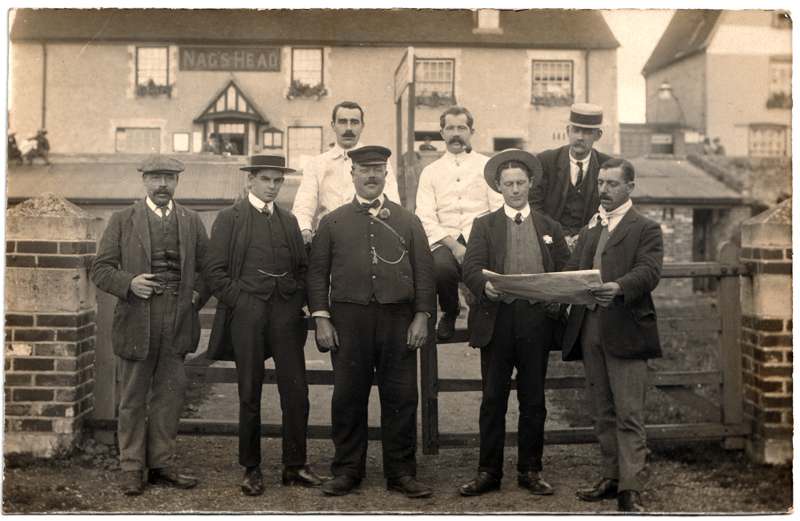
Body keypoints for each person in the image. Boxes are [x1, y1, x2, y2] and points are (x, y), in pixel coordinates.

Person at [307, 145, 436, 498]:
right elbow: (317, 275)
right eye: (364, 170)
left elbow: (424, 273)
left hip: (399, 320)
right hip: (349, 321)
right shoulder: (332, 222)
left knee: (402, 397)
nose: (371, 176)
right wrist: (322, 319)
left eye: (378, 169)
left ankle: (401, 473)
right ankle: (348, 470)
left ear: (386, 175)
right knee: (348, 397)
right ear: (352, 175)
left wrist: (422, 316)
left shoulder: (408, 222)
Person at [204, 154, 323, 496]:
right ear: (250, 181)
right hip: (248, 315)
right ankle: (251, 468)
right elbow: (214, 271)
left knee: (296, 391)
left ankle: (295, 465)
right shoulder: (230, 219)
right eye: (266, 179)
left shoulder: (288, 221)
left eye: (277, 180)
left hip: (285, 316)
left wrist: (295, 299)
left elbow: (303, 267)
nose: (272, 186)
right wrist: (241, 301)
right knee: (249, 392)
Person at [90, 156, 209, 496]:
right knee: (132, 396)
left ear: (177, 182)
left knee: (169, 395)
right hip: (138, 316)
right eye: (156, 177)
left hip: (178, 317)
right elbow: (101, 269)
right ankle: (131, 466)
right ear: (144, 180)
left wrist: (195, 296)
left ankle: (161, 464)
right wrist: (130, 283)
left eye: (169, 178)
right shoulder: (123, 220)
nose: (162, 185)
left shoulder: (191, 221)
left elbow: (208, 268)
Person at [458, 149, 569, 497]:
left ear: (531, 184)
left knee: (533, 400)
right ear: (498, 187)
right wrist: (483, 285)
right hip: (498, 320)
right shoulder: (484, 225)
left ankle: (530, 470)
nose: (516, 189)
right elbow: (470, 268)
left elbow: (565, 267)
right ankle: (488, 471)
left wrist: (554, 293)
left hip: (536, 321)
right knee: (493, 399)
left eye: (521, 183)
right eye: (509, 184)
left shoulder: (549, 226)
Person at [561, 158, 663, 513]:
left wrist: (619, 286)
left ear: (630, 188)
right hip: (590, 328)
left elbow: (649, 272)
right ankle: (610, 478)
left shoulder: (645, 228)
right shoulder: (592, 229)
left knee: (629, 413)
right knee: (602, 410)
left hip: (627, 329)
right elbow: (575, 270)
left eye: (612, 184)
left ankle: (630, 489)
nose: (603, 190)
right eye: (600, 183)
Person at [415, 106, 503, 340]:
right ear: (442, 133)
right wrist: (453, 245)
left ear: (471, 131)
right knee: (441, 268)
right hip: (446, 238)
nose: (456, 134)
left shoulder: (487, 166)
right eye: (450, 128)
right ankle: (451, 311)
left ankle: (480, 317)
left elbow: (497, 208)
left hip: (481, 236)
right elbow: (424, 215)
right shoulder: (430, 171)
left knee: (486, 271)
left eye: (461, 128)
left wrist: (486, 241)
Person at [292, 101, 401, 244]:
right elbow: (304, 204)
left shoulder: (378, 162)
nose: (348, 128)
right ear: (333, 126)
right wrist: (304, 228)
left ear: (362, 126)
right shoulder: (316, 164)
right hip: (329, 237)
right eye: (342, 122)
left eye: (354, 122)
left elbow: (392, 202)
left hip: (367, 236)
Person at [530, 103, 612, 250]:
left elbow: (611, 208)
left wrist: (584, 237)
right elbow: (535, 207)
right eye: (576, 130)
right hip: (550, 243)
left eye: (587, 132)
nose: (580, 137)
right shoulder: (546, 161)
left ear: (598, 135)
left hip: (590, 245)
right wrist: (559, 236)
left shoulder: (607, 165)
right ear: (568, 130)